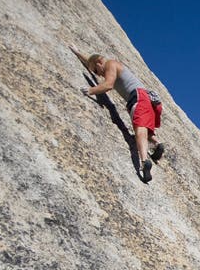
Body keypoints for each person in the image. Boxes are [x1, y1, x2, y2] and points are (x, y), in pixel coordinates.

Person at [69, 45, 165, 182]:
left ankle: (144, 162)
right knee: (146, 127)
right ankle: (157, 144)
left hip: (137, 97)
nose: (99, 75)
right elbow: (91, 61)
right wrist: (77, 52)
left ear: (100, 63)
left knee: (140, 130)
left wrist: (90, 91)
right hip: (149, 100)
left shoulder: (110, 64)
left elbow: (108, 85)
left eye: (97, 71)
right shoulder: (104, 64)